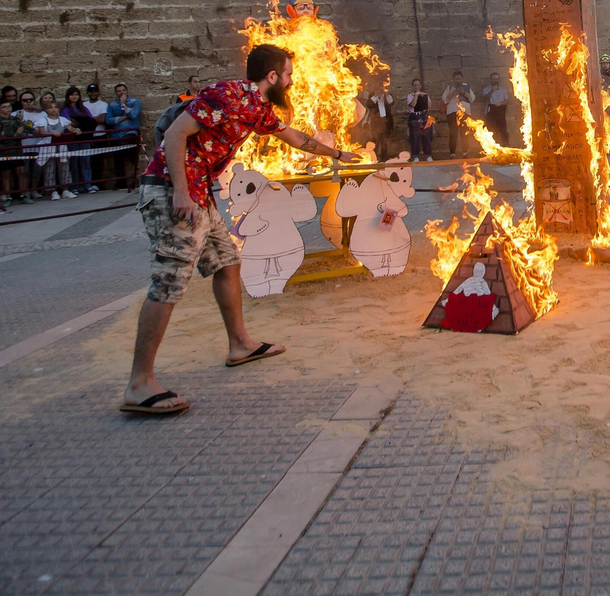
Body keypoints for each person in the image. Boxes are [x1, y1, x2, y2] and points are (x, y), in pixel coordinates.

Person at [121, 44, 361, 415]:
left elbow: (294, 137)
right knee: (169, 281)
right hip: (172, 192)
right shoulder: (227, 94)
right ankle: (139, 384)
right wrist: (181, 191)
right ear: (272, 77)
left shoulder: (258, 108)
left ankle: (240, 344)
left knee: (227, 260)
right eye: (288, 74)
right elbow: (174, 135)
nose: (292, 80)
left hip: (200, 195)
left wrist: (338, 155)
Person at [33, 100, 79, 198]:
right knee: (50, 168)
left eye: (55, 107)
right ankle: (52, 191)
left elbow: (70, 128)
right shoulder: (43, 120)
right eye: (51, 107)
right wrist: (52, 134)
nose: (53, 109)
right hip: (48, 147)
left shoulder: (62, 120)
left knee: (64, 167)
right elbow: (42, 132)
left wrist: (76, 130)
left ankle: (65, 190)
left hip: (61, 146)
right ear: (46, 109)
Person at [61, 86, 101, 192]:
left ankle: (87, 184)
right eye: (72, 94)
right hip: (72, 139)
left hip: (84, 137)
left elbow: (91, 121)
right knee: (74, 162)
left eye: (76, 94)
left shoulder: (83, 109)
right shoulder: (65, 110)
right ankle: (74, 186)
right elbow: (67, 123)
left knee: (85, 161)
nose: (74, 97)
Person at [441, 71, 474, 158]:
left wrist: (463, 92)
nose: (457, 80)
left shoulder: (466, 87)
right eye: (456, 79)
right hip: (452, 112)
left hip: (464, 113)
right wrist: (454, 92)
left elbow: (472, 98)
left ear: (462, 79)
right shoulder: (450, 88)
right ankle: (452, 153)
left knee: (464, 132)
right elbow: (444, 99)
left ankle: (465, 152)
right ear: (453, 80)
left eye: (459, 79)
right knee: (453, 133)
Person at [478, 71, 511, 147]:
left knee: (503, 130)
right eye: (493, 79)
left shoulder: (503, 89)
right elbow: (486, 98)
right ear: (491, 80)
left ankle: (506, 147)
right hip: (491, 111)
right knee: (492, 131)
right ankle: (494, 148)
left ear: (499, 79)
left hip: (500, 110)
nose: (495, 80)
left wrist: (500, 103)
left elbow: (507, 101)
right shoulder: (486, 89)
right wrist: (492, 90)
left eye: (496, 79)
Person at [406, 78, 433, 161]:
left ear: (420, 86)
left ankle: (428, 155)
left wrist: (424, 97)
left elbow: (429, 105)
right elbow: (413, 105)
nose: (416, 86)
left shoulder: (425, 95)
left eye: (418, 85)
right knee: (414, 137)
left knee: (426, 136)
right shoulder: (410, 96)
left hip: (424, 116)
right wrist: (416, 95)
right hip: (414, 117)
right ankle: (415, 156)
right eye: (415, 85)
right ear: (412, 87)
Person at [367, 75, 396, 154]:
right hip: (376, 123)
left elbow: (391, 103)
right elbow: (369, 105)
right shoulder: (373, 95)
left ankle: (384, 160)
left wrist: (386, 95)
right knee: (375, 142)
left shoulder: (387, 95)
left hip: (385, 122)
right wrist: (376, 95)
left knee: (384, 142)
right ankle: (374, 158)